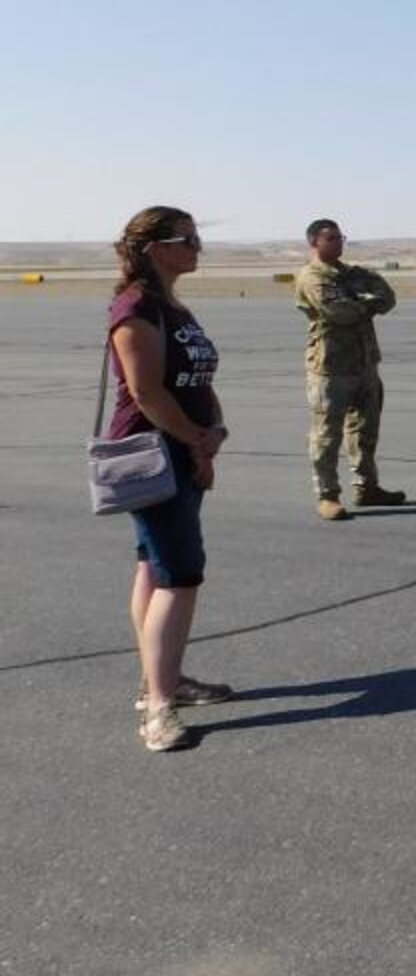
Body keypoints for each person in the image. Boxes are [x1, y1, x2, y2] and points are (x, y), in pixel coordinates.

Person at [106, 207, 230, 752]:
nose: (199, 247)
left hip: (180, 450)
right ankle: (158, 708)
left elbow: (196, 377)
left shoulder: (171, 305)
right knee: (181, 575)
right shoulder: (136, 308)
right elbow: (147, 393)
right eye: (189, 239)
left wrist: (214, 428)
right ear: (157, 248)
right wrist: (194, 441)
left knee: (153, 570)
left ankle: (162, 681)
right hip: (154, 453)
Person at [296, 218, 406, 521]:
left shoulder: (353, 274)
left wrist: (360, 300)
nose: (338, 243)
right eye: (330, 238)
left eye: (340, 237)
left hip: (364, 363)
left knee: (365, 431)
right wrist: (366, 303)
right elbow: (337, 311)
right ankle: (327, 495)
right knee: (326, 435)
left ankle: (367, 487)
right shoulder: (312, 277)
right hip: (330, 367)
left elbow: (388, 297)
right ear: (314, 243)